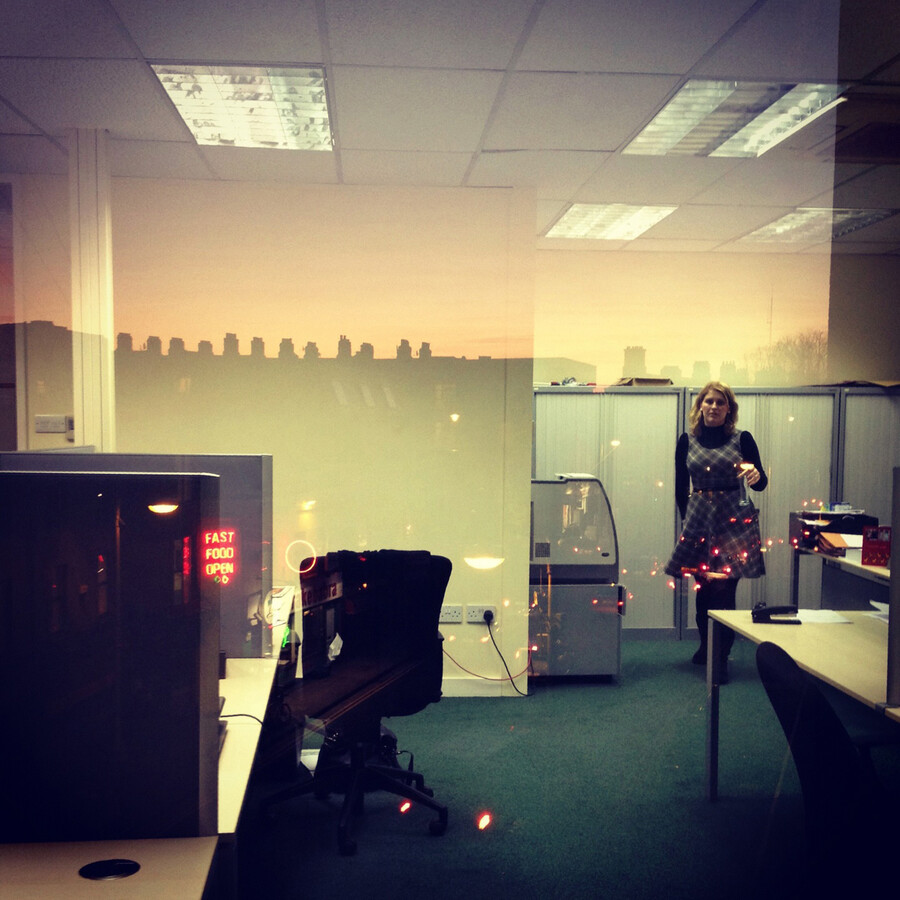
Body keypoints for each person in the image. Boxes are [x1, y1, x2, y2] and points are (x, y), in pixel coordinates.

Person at [664, 382, 767, 675]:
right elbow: (681, 487)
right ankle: (706, 645)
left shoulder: (742, 439)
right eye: (709, 401)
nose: (714, 407)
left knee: (723, 590)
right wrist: (687, 523)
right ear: (700, 406)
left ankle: (720, 656)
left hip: (734, 523)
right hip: (699, 522)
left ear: (729, 409)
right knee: (703, 589)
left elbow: (760, 483)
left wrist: (756, 475)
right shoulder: (687, 441)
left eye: (720, 402)